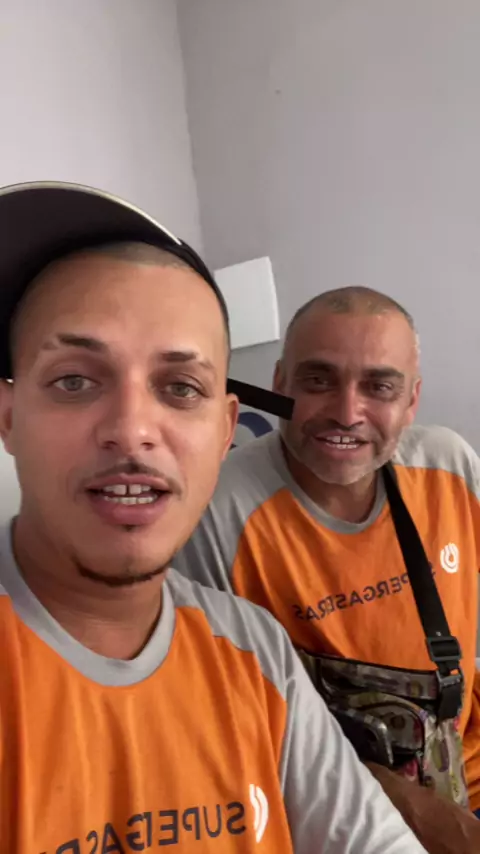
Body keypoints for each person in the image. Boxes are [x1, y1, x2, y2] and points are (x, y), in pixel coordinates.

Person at [0, 182, 428, 854]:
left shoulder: (251, 648)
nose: (131, 430)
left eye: (180, 387)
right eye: (74, 380)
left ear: (226, 429)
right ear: (8, 416)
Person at [175, 285, 480, 853]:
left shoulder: (449, 465)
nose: (346, 412)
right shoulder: (213, 512)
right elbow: (227, 729)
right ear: (279, 385)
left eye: (379, 387)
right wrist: (422, 817)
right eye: (318, 380)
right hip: (335, 812)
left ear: (411, 401)